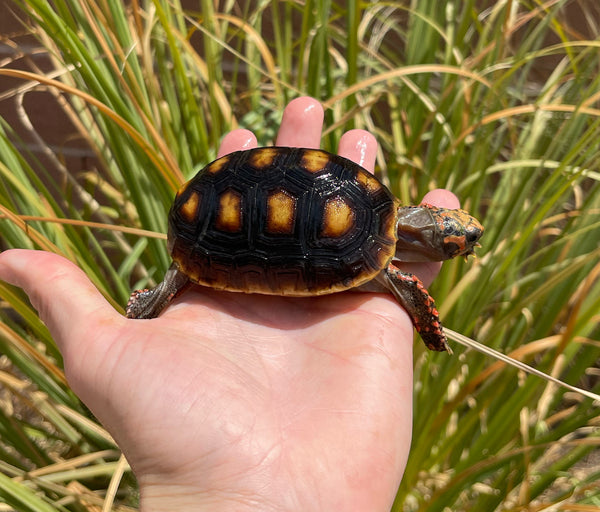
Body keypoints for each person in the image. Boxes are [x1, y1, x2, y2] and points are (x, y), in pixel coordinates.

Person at [0, 97, 460, 511]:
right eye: (457, 240)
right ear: (437, 237)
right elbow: (408, 291)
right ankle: (163, 292)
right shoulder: (378, 226)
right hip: (217, 224)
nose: (460, 244)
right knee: (184, 278)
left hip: (226, 210)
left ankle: (164, 291)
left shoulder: (370, 195)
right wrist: (428, 324)